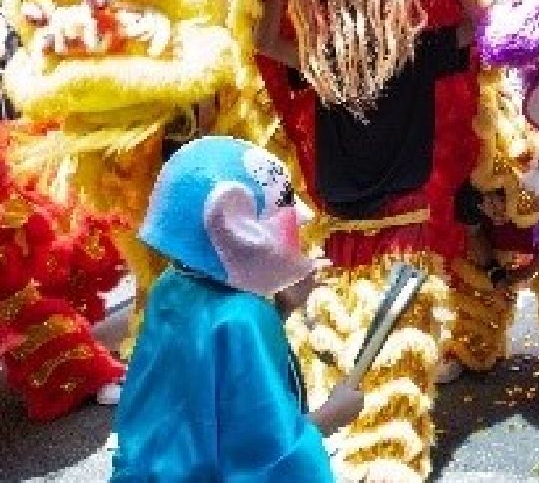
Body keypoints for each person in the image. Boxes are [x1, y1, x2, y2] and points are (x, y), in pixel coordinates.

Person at [111, 136, 363, 481]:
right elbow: (268, 459)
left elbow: (213, 377)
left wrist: (282, 305)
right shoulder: (244, 316)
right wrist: (333, 415)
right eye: (283, 204)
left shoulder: (172, 285)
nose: (300, 218)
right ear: (234, 222)